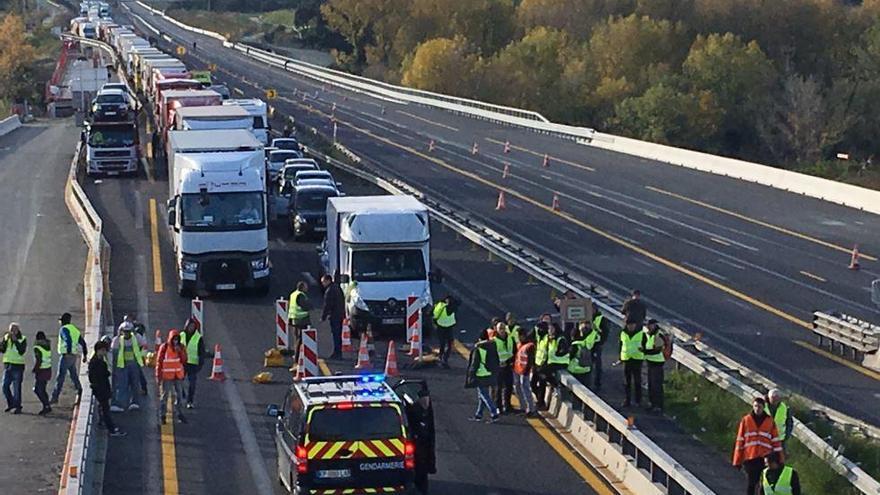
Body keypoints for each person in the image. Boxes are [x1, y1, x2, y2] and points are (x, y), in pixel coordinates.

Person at [733, 397, 783, 495]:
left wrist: (779, 459)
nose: (757, 409)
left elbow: (776, 442)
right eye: (755, 406)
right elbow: (740, 441)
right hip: (750, 457)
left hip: (765, 458)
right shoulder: (746, 420)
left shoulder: (769, 421)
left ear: (763, 407)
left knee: (764, 484)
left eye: (759, 407)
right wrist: (737, 461)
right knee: (751, 483)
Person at [89, 341, 126, 437]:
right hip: (101, 390)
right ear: (99, 350)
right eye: (104, 350)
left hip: (101, 389)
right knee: (106, 410)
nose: (105, 352)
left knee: (103, 409)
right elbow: (97, 376)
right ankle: (112, 429)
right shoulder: (96, 363)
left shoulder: (98, 361)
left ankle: (104, 424)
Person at [404, 388, 436, 494]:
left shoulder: (425, 411)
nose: (426, 401)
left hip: (424, 450)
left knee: (422, 477)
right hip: (417, 448)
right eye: (424, 399)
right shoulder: (414, 410)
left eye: (427, 399)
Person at [51, 312, 87, 405]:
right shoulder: (74, 329)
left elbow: (68, 340)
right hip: (73, 356)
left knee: (60, 377)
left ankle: (55, 397)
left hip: (66, 355)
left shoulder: (64, 329)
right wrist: (85, 354)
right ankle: (79, 390)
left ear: (63, 321)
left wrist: (68, 351)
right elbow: (82, 342)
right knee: (73, 375)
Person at [110, 322, 146, 412]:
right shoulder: (117, 340)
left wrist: (141, 358)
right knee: (122, 385)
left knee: (135, 384)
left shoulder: (137, 338)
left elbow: (144, 347)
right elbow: (114, 354)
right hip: (122, 366)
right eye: (124, 331)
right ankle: (121, 404)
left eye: (128, 331)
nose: (126, 333)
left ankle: (135, 402)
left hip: (134, 365)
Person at [156, 330, 188, 425]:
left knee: (179, 396)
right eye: (174, 339)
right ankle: (162, 416)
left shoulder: (181, 347)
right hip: (167, 376)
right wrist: (158, 376)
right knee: (164, 396)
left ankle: (179, 414)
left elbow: (184, 360)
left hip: (177, 376)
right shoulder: (164, 348)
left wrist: (180, 352)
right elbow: (159, 362)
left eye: (177, 340)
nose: (175, 342)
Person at [465, 335, 500, 423]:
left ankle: (494, 413)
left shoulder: (478, 349)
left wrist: (470, 375)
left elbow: (474, 364)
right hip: (490, 374)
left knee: (484, 395)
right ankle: (479, 414)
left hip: (480, 374)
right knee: (482, 396)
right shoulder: (492, 347)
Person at [180, 317, 208, 409]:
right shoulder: (181, 335)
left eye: (193, 326)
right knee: (179, 382)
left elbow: (201, 352)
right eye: (190, 326)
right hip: (182, 363)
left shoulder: (198, 338)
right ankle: (181, 396)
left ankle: (190, 401)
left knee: (192, 384)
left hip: (193, 365)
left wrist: (200, 364)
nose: (191, 328)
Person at [1, 323, 27, 414]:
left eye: (14, 330)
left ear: (18, 330)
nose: (12, 332)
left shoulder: (22, 338)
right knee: (4, 386)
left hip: (18, 366)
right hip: (8, 365)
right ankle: (11, 403)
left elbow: (21, 351)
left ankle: (18, 406)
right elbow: (2, 350)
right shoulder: (6, 338)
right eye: (11, 330)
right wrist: (3, 341)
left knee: (17, 388)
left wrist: (15, 341)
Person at [641, 319, 665, 413]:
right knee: (651, 385)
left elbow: (657, 350)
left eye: (650, 325)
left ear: (654, 325)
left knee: (656, 386)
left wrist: (644, 352)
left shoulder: (658, 335)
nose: (648, 327)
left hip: (657, 363)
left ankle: (658, 406)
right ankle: (652, 404)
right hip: (651, 363)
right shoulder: (649, 334)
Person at [618, 322, 645, 407]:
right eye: (629, 325)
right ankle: (627, 399)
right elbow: (621, 345)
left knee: (637, 381)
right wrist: (620, 357)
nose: (631, 327)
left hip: (637, 359)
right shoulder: (623, 333)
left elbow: (645, 345)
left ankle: (638, 400)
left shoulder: (641, 334)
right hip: (627, 359)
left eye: (633, 325)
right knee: (627, 381)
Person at [491, 321, 515, 414]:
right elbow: (492, 355)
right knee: (498, 387)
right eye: (500, 328)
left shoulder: (510, 339)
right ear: (496, 330)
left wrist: (510, 362)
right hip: (499, 367)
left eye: (503, 328)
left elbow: (513, 351)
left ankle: (507, 406)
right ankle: (498, 407)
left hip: (508, 365)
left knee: (508, 387)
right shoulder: (494, 341)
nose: (502, 330)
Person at [512, 330, 537, 417]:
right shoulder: (519, 344)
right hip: (517, 370)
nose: (519, 338)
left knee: (525, 389)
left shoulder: (529, 346)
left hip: (524, 371)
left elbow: (530, 360)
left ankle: (531, 409)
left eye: (520, 336)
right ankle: (523, 407)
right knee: (518, 388)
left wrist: (526, 371)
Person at [320, 275, 345, 359]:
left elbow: (327, 305)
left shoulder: (329, 291)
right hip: (340, 314)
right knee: (338, 334)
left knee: (336, 334)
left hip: (334, 315)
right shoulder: (337, 288)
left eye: (323, 282)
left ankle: (337, 353)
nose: (322, 284)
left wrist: (323, 317)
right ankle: (338, 352)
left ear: (328, 280)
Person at [589, 301, 611, 392]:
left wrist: (601, 342)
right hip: (587, 344)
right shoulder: (586, 317)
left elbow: (605, 332)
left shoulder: (601, 319)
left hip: (597, 344)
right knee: (587, 363)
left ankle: (597, 383)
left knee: (597, 365)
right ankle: (589, 382)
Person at [567, 321, 597, 388]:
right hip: (586, 368)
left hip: (575, 369)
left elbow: (570, 357)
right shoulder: (588, 342)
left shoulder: (575, 345)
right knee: (587, 387)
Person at [287, 281, 311, 360]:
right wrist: (310, 305)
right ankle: (297, 357)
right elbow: (305, 306)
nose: (307, 288)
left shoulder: (293, 294)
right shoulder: (300, 295)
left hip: (294, 318)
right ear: (302, 287)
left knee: (296, 338)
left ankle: (296, 355)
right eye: (306, 286)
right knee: (300, 339)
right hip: (301, 320)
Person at [432, 295, 458, 369]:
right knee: (449, 344)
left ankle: (441, 357)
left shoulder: (440, 306)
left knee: (442, 343)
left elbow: (434, 314)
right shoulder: (454, 306)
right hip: (449, 327)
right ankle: (444, 359)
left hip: (440, 326)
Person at [530, 321, 550, 409]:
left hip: (544, 365)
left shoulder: (547, 338)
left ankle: (541, 403)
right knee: (533, 384)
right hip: (537, 364)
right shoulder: (539, 337)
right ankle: (539, 399)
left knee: (542, 385)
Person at [32, 331, 53, 415]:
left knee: (38, 390)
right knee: (42, 389)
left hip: (41, 371)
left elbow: (39, 360)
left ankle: (46, 405)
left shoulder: (37, 347)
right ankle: (47, 405)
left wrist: (35, 369)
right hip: (48, 369)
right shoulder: (47, 345)